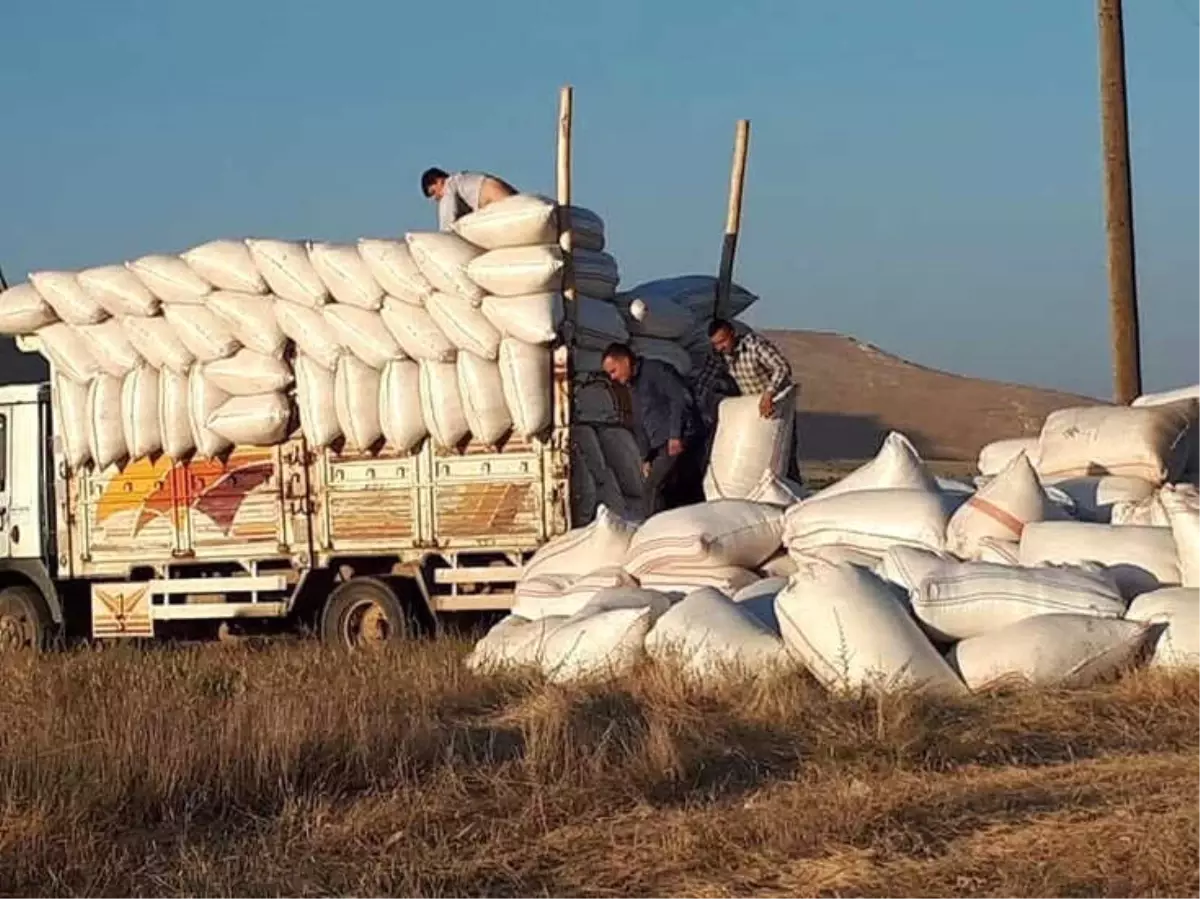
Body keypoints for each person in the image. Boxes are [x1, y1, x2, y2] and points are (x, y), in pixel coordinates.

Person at [601, 343, 707, 518]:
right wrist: (646, 457)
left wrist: (675, 434)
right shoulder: (633, 387)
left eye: (614, 370)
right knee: (680, 491)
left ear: (626, 361)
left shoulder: (656, 371)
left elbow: (680, 399)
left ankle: (647, 533)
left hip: (678, 439)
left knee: (653, 487)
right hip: (661, 444)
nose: (613, 377)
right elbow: (640, 422)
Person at [692, 318, 803, 483]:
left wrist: (769, 394)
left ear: (733, 334)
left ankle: (793, 491)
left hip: (776, 405)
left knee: (782, 455)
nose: (720, 347)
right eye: (716, 344)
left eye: (723, 341)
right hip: (752, 408)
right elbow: (705, 380)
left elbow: (782, 367)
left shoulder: (754, 346)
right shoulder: (719, 356)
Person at [420, 168, 517, 231]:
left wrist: (442, 239)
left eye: (433, 192)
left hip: (492, 193)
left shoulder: (449, 186)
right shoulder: (461, 181)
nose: (436, 198)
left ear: (439, 181)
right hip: (497, 188)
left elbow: (447, 223)